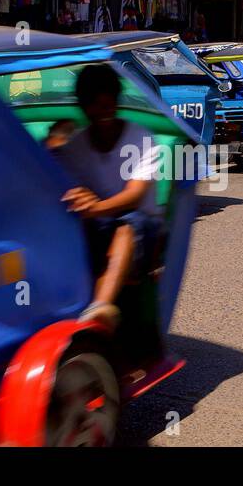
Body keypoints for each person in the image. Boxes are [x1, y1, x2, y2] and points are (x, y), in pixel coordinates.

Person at [56, 64, 162, 328]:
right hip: (99, 224)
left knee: (126, 225)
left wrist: (95, 208)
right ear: (84, 107)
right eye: (95, 106)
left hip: (144, 227)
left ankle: (100, 311)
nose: (104, 112)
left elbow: (135, 196)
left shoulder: (141, 139)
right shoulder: (75, 147)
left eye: (109, 104)